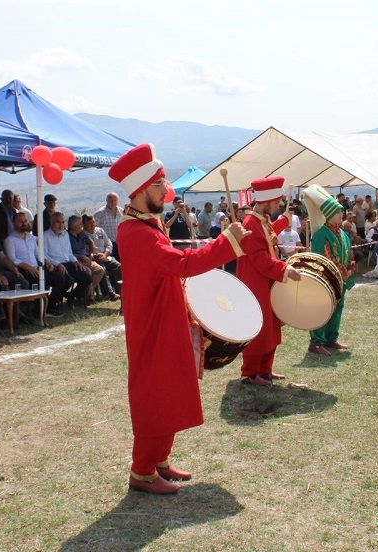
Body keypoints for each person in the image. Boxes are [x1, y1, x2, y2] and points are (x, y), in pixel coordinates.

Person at [108, 143, 250, 495]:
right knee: (155, 394)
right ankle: (141, 472)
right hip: (152, 325)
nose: (165, 191)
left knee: (169, 388)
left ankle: (159, 461)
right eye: (159, 186)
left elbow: (171, 261)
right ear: (141, 191)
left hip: (164, 316)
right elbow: (179, 264)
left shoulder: (144, 223)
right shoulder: (136, 232)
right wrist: (225, 242)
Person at [235, 176, 301, 386]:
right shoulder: (250, 223)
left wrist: (283, 221)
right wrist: (285, 268)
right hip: (255, 283)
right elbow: (260, 258)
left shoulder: (260, 221)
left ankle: (265, 370)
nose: (277, 206)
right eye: (275, 203)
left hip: (266, 280)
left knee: (271, 326)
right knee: (259, 328)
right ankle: (250, 373)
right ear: (264, 202)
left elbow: (270, 236)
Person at [303, 184, 356, 356]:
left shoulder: (343, 234)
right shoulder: (321, 234)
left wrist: (350, 268)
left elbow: (349, 254)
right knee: (323, 308)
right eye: (338, 212)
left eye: (342, 211)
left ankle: (331, 339)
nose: (342, 214)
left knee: (338, 308)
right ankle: (316, 342)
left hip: (341, 279)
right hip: (326, 280)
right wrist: (341, 271)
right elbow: (323, 258)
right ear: (329, 214)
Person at [5, 211, 69, 317]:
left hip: (37, 268)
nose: (23, 223)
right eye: (20, 221)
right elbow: (12, 258)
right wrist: (28, 267)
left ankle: (49, 307)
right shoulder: (10, 240)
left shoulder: (31, 238)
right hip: (23, 270)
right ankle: (37, 311)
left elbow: (38, 253)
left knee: (61, 278)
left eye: (25, 221)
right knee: (40, 282)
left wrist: (47, 261)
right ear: (13, 223)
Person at [43, 211, 89, 307]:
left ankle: (71, 296)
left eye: (63, 222)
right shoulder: (45, 236)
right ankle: (52, 303)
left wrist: (75, 261)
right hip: (55, 265)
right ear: (52, 223)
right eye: (58, 222)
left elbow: (69, 252)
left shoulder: (65, 234)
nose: (61, 225)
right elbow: (44, 255)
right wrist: (57, 264)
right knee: (68, 280)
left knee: (86, 277)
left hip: (67, 263)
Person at [67, 214, 110, 300]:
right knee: (88, 271)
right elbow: (67, 253)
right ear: (73, 227)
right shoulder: (66, 236)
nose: (82, 226)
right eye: (80, 225)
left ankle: (81, 293)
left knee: (99, 270)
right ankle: (89, 296)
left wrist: (90, 255)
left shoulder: (82, 233)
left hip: (86, 258)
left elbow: (91, 243)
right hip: (75, 261)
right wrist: (82, 257)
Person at [82, 214, 121, 298]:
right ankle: (110, 293)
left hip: (105, 256)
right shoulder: (82, 235)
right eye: (89, 223)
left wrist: (105, 254)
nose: (92, 225)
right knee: (102, 269)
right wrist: (94, 256)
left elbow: (109, 244)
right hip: (94, 259)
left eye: (93, 222)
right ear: (83, 224)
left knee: (117, 265)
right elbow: (83, 251)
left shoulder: (100, 231)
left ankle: (119, 289)